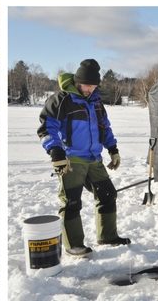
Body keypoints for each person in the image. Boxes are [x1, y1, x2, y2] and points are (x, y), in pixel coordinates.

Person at [38, 59, 130, 257]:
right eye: (87, 85)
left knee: (107, 194)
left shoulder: (96, 103)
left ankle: (108, 236)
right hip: (71, 159)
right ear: (78, 81)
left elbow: (104, 127)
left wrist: (113, 149)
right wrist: (56, 152)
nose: (89, 89)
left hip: (94, 158)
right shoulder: (62, 99)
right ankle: (74, 244)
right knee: (71, 201)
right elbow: (46, 128)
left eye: (93, 85)